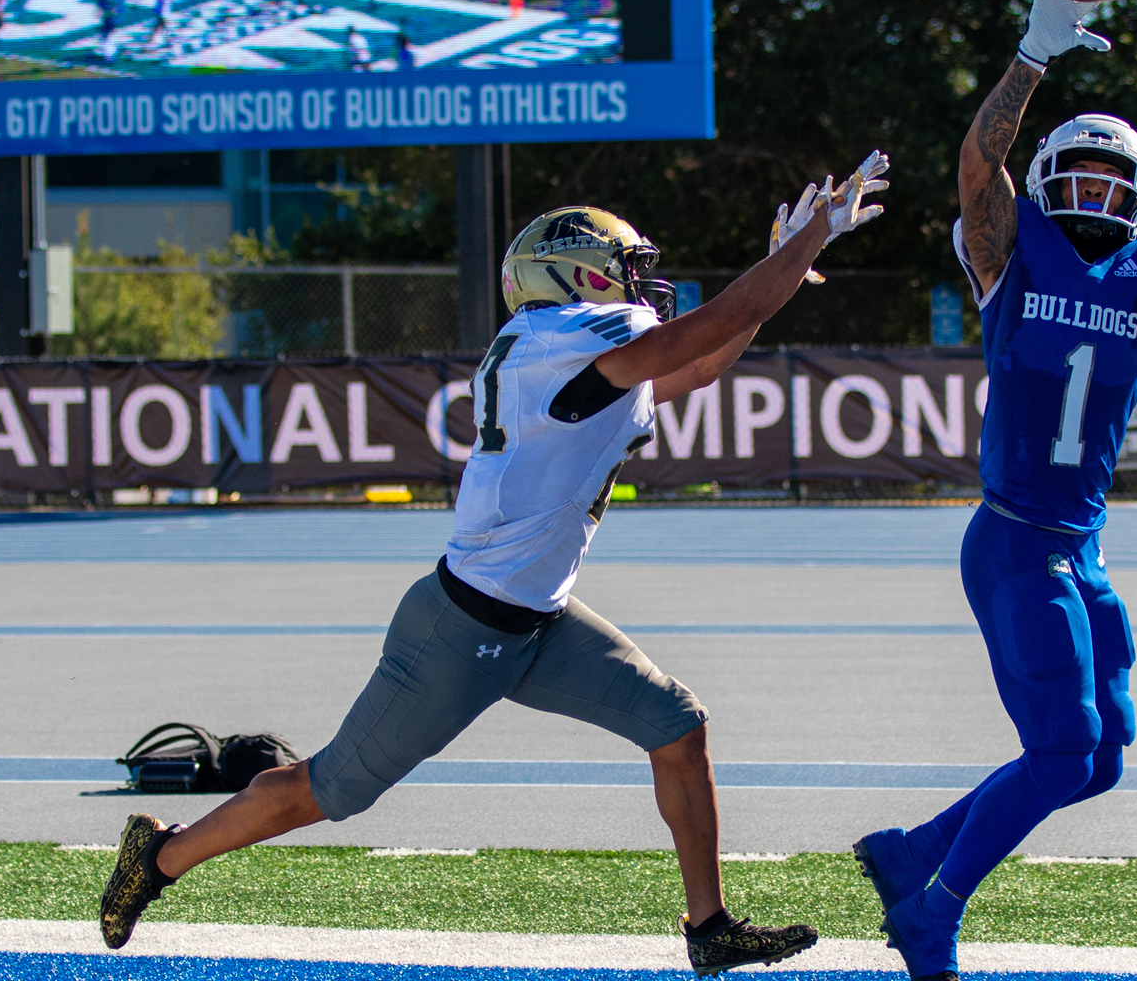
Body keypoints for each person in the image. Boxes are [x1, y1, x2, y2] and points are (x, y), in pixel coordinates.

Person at [99, 156, 891, 975]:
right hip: (461, 628)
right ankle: (159, 857)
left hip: (537, 619)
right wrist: (802, 246)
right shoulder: (560, 335)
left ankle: (709, 927)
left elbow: (697, 360)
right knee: (325, 790)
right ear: (573, 272)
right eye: (626, 271)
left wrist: (783, 267)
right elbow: (696, 334)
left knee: (677, 726)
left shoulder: (563, 343)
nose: (640, 286)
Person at [850, 0, 1137, 981]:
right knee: (1063, 749)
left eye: (1109, 176)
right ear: (1045, 180)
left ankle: (913, 851)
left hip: (1082, 548)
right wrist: (1033, 55)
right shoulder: (1010, 252)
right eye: (1071, 172)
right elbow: (976, 164)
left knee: (1104, 753)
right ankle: (932, 909)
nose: (1089, 190)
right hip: (1015, 542)